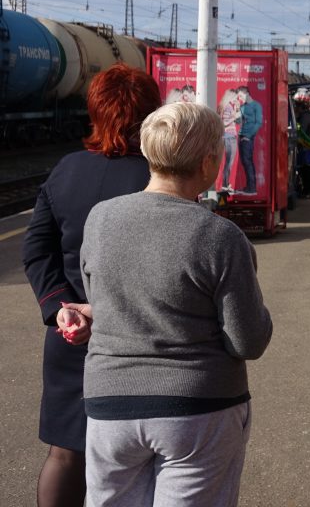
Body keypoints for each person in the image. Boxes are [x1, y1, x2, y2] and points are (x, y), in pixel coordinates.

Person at [79, 101, 273, 507]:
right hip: (197, 407)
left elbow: (101, 299)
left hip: (108, 403)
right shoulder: (220, 236)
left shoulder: (100, 219)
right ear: (206, 163)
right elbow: (248, 342)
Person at [22, 63, 162, 507]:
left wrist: (60, 306)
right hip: (139, 336)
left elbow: (36, 250)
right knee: (138, 457)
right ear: (150, 114)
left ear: (95, 111)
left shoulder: (67, 170)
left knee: (65, 452)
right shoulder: (159, 177)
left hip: (70, 333)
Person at [236, 86, 262, 196]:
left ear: (246, 93)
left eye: (241, 96)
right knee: (245, 162)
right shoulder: (242, 107)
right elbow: (238, 121)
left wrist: (250, 135)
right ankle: (248, 187)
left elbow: (258, 122)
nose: (240, 98)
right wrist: (236, 111)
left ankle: (252, 188)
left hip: (248, 137)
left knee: (248, 162)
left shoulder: (256, 105)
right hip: (241, 136)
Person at [217, 89, 241, 192]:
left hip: (230, 136)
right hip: (228, 137)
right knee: (228, 163)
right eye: (236, 97)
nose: (237, 99)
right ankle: (225, 185)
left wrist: (237, 109)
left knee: (228, 163)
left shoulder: (231, 107)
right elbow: (224, 123)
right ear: (231, 96)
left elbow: (239, 121)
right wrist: (234, 117)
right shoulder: (227, 107)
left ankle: (225, 184)